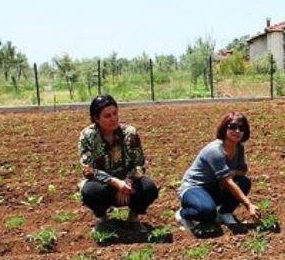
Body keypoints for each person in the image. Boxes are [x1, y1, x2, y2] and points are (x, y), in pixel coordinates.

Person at [78, 95, 159, 231]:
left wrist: (127, 182)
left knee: (149, 188)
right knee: (90, 191)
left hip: (129, 184)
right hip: (103, 185)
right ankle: (102, 219)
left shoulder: (129, 133)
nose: (113, 118)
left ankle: (133, 219)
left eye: (115, 113)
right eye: (107, 116)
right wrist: (115, 182)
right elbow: (88, 169)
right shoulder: (88, 136)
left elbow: (139, 165)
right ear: (96, 118)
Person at [176, 111, 259, 230]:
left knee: (244, 182)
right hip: (194, 188)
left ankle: (225, 213)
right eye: (233, 127)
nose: (237, 131)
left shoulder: (239, 147)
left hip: (214, 186)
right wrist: (248, 204)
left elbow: (242, 170)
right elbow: (228, 182)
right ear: (225, 128)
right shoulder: (215, 151)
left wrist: (235, 172)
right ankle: (183, 214)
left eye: (241, 128)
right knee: (207, 212)